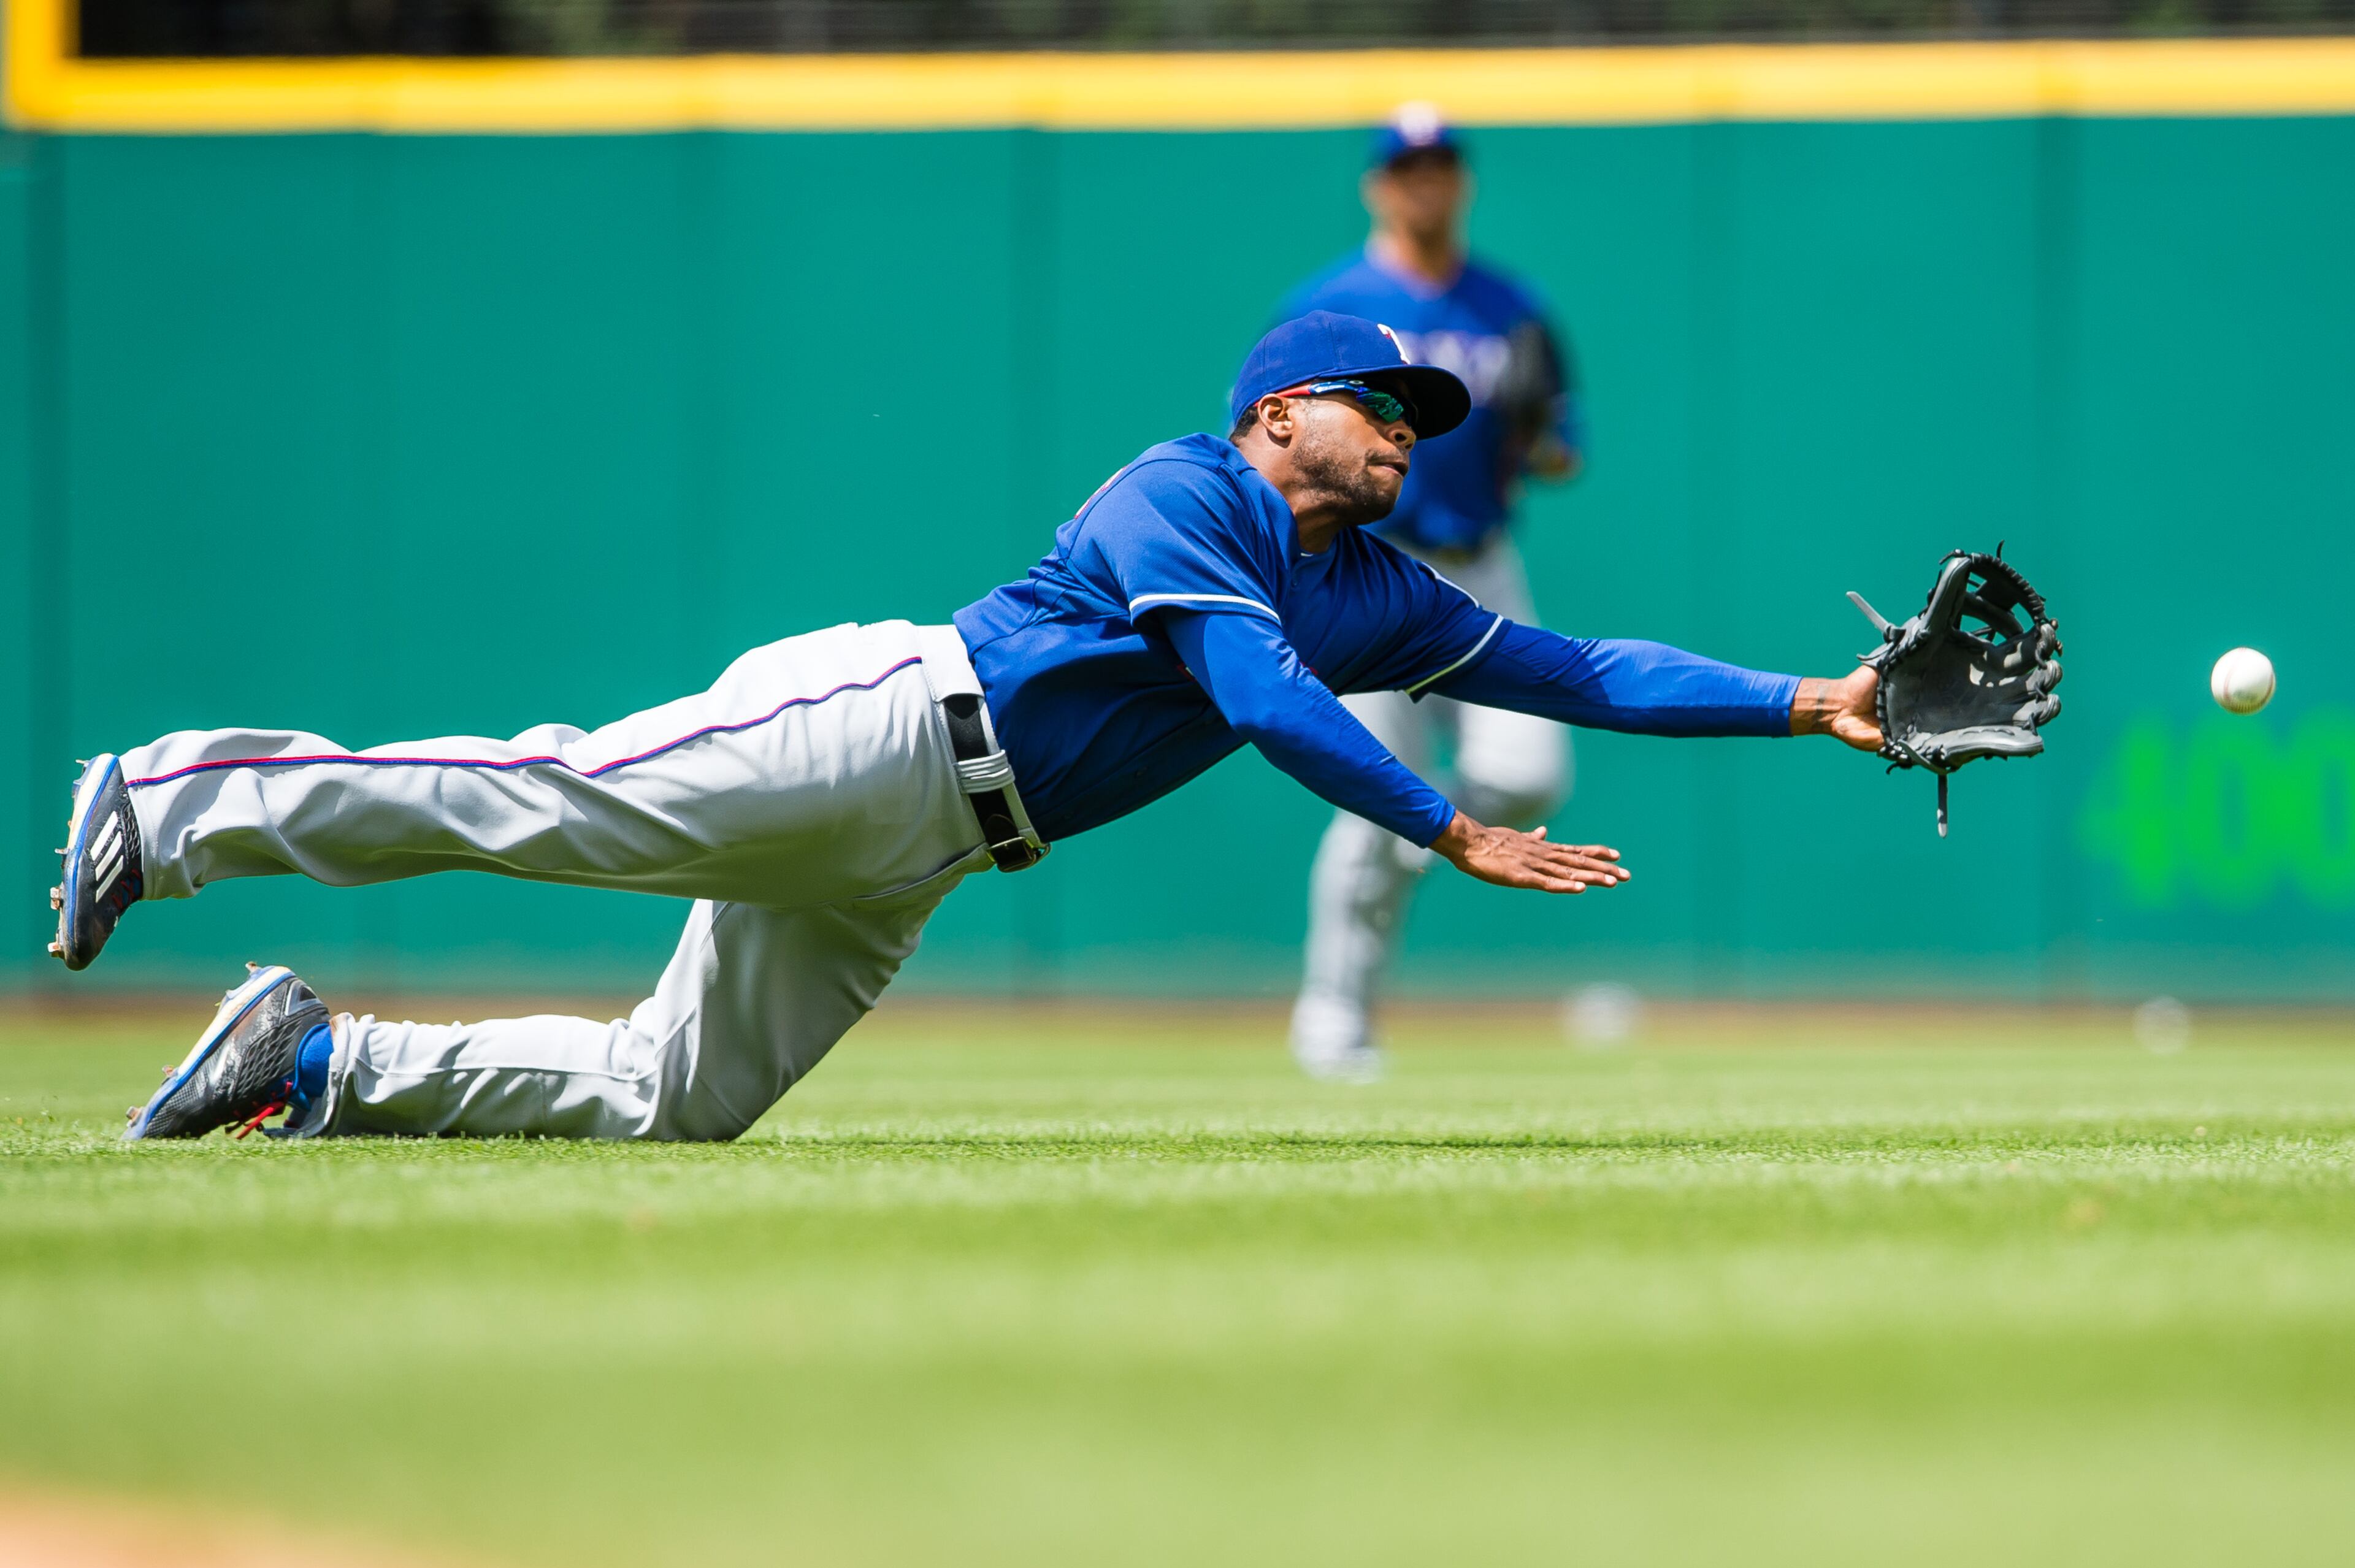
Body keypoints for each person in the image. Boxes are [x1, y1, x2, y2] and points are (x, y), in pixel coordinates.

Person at [56, 312, 1882, 1143]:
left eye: (1424, 413)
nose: (1407, 428)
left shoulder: (1380, 586)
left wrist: (1818, 702)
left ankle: (314, 1063)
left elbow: (1583, 674)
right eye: (1372, 403)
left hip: (934, 850)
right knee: (554, 799)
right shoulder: (1186, 491)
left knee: (678, 1097)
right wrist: (1447, 827)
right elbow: (1253, 698)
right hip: (882, 725)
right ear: (1273, 416)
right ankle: (164, 799)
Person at [1272, 106, 1589, 1080]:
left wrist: (1542, 432)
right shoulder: (1329, 303)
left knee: (1534, 773)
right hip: (1367, 565)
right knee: (1372, 802)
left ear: (1463, 181)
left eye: (1441, 165)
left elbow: (1560, 454)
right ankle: (1334, 1015)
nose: (1425, 182)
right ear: (1378, 185)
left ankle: (1427, 826)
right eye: (1407, 167)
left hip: (1479, 563)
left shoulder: (1510, 305)